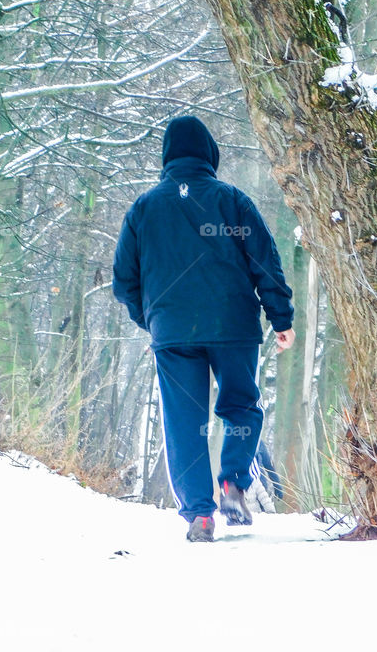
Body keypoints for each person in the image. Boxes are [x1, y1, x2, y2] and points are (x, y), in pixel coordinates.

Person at [112, 116, 295, 542]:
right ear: (210, 153)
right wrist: (280, 318)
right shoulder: (232, 200)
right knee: (242, 406)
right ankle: (233, 482)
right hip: (233, 327)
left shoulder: (143, 209)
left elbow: (125, 282)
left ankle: (200, 515)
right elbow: (265, 262)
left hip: (173, 334)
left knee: (183, 421)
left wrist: (154, 319)